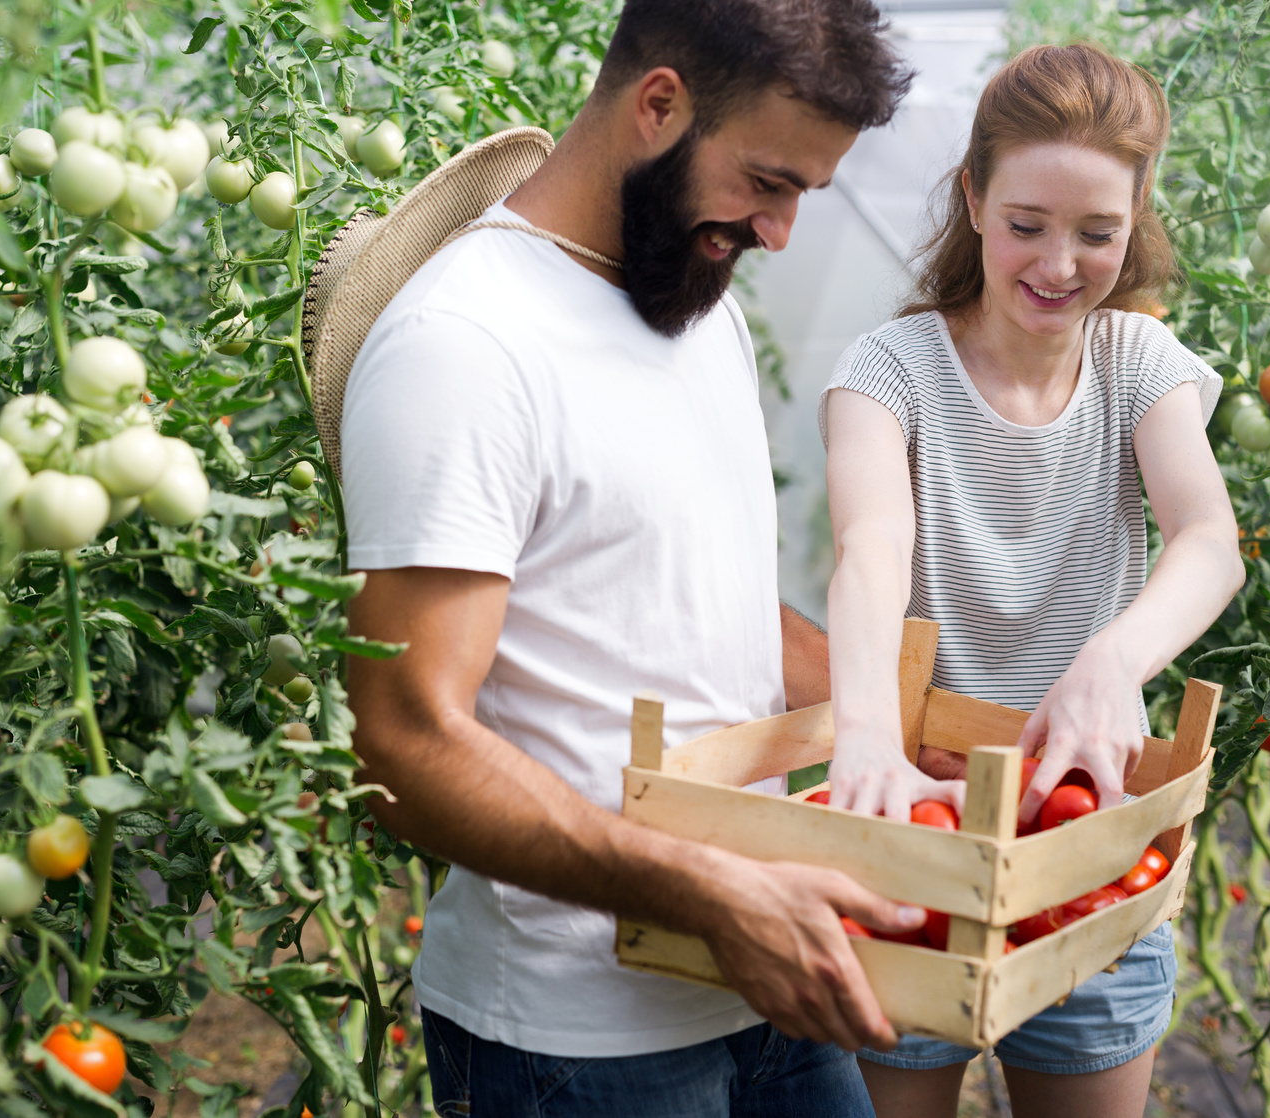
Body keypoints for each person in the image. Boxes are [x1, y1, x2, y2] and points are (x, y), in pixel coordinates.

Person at [340, 2, 921, 1114]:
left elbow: (714, 608)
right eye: (768, 181)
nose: (780, 230)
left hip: (758, 978)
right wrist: (705, 890)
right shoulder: (466, 344)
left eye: (806, 191)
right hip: (576, 1039)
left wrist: (915, 730)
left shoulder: (693, 305)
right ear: (658, 104)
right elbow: (403, 740)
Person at [820, 43, 1244, 1118]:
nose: (1058, 264)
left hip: (1086, 836)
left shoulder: (1137, 366)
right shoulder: (889, 371)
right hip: (915, 817)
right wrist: (863, 729)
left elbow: (1207, 539)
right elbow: (872, 545)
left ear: (1136, 212)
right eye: (1025, 225)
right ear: (971, 198)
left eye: (1096, 232)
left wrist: (1109, 660)